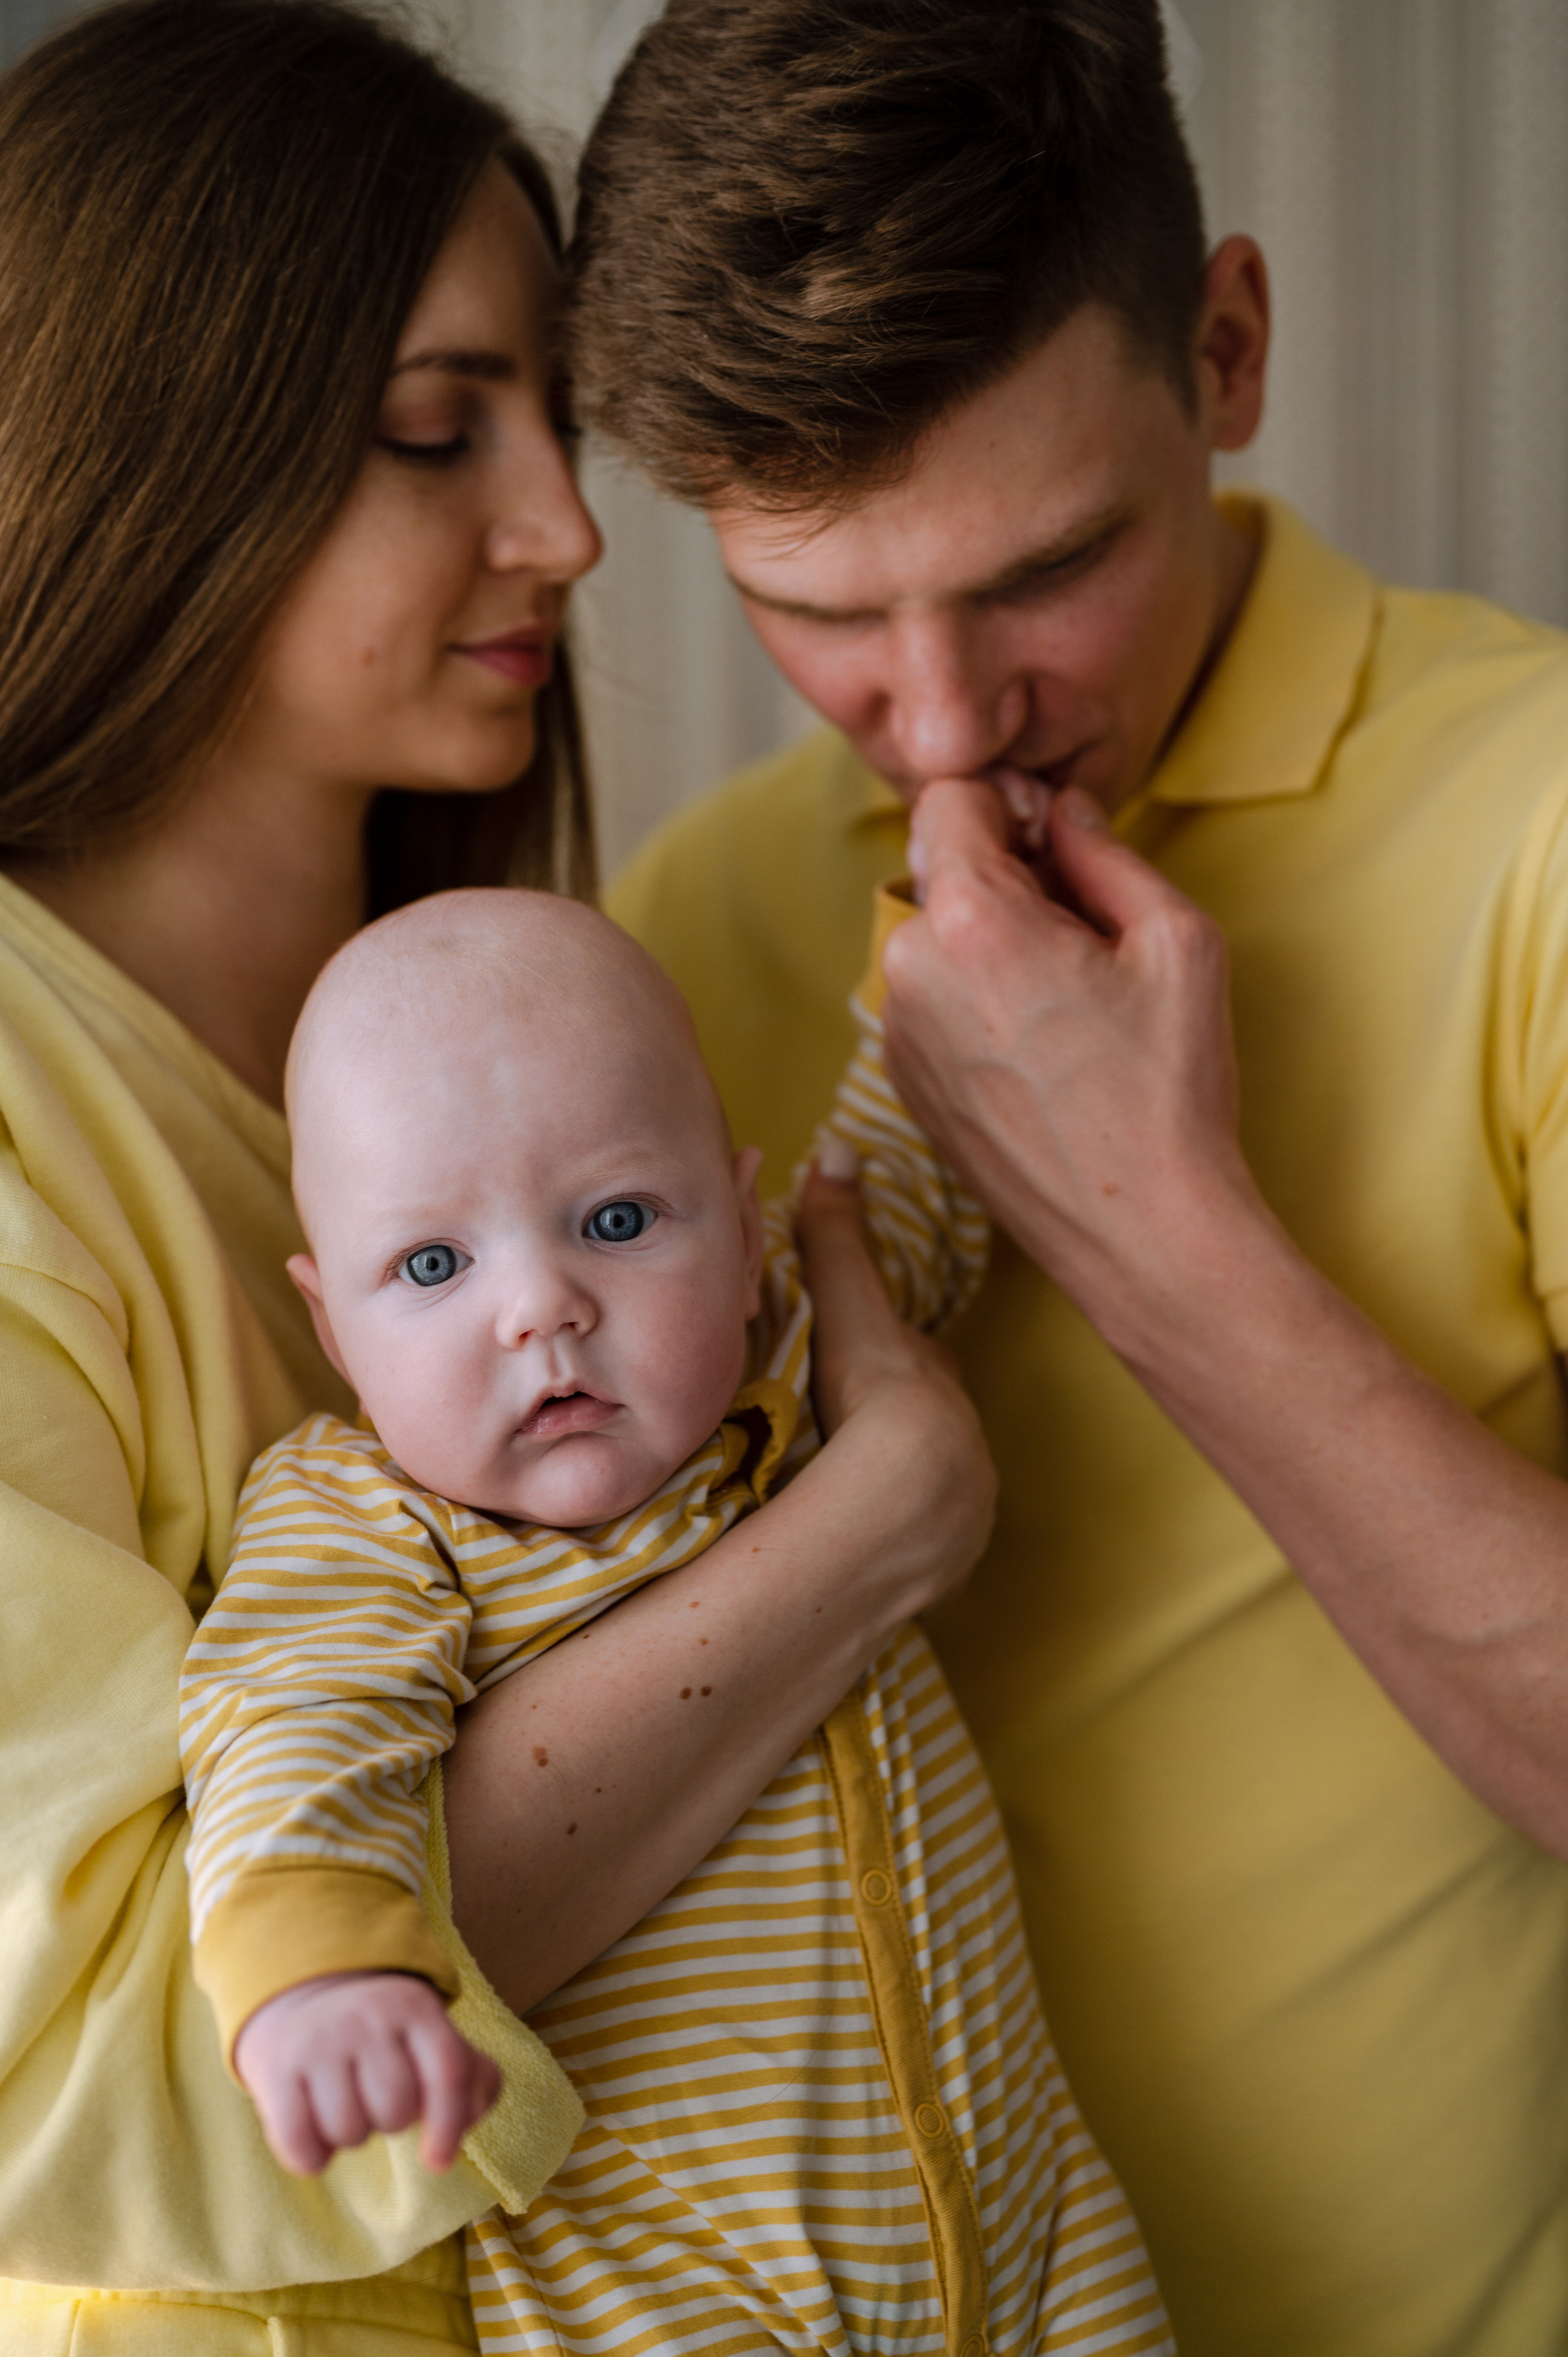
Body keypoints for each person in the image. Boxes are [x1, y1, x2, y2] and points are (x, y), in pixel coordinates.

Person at [573, 2, 1568, 2350]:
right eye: (815, 609)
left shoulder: (1539, 827)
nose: (934, 724)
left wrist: (1154, 1220)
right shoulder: (674, 941)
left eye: (1043, 571)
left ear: (1224, 346)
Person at [0, 4, 997, 2348]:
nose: (564, 525)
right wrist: (876, 1535)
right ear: (167, 446)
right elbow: (77, 2050)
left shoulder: (540, 1047)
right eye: (441, 432)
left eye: (548, 419)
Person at [179, 882, 1171, 2356]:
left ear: (740, 1210)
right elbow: (289, 1725)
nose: (541, 1307)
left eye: (620, 1218)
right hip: (676, 2299)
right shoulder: (368, 1515)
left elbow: (923, 1134)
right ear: (332, 1325)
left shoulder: (788, 1355)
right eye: (434, 1266)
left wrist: (961, 904)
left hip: (1035, 2243)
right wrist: (320, 1972)